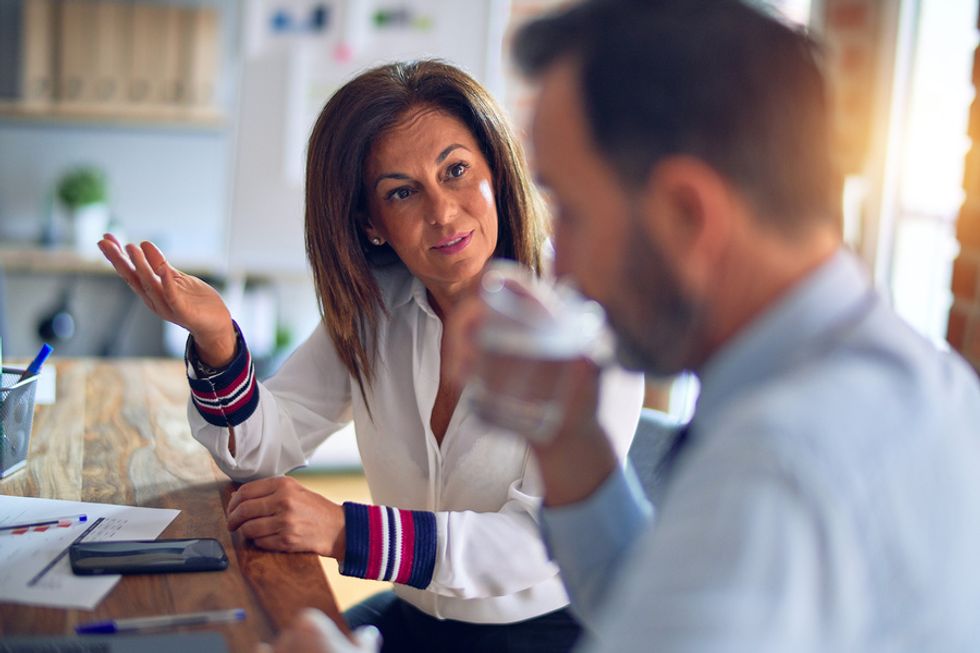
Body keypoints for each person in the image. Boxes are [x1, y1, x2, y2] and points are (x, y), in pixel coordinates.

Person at [270, 1, 980, 651]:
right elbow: (642, 603)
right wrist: (570, 442)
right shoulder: (918, 377)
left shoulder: (775, 468)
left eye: (572, 212)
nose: (562, 264)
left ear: (686, 214)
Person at [98, 60, 644, 653]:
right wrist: (217, 338)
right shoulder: (375, 307)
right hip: (414, 616)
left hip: (547, 636)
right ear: (371, 223)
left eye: (456, 170)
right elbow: (262, 448)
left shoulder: (588, 324)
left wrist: (345, 530)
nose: (442, 212)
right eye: (402, 192)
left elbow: (534, 543)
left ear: (497, 170)